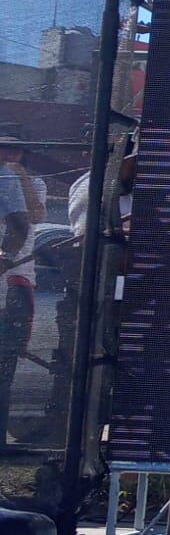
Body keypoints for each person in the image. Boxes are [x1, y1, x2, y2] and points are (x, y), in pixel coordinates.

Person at [0, 135, 46, 439]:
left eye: (14, 148)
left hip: (18, 278)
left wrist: (20, 177)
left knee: (6, 364)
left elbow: (34, 216)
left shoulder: (35, 183)